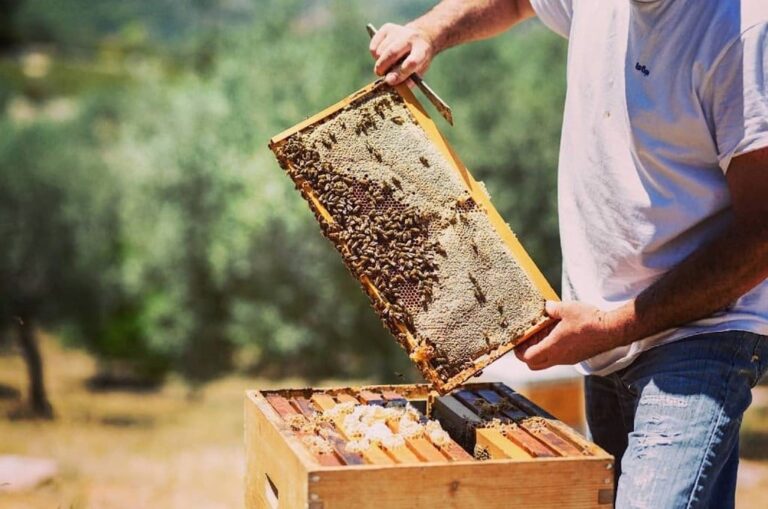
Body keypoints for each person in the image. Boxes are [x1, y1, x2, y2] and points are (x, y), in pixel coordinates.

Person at [370, 1, 768, 507]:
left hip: (702, 335)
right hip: (603, 329)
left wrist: (612, 324)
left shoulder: (747, 33)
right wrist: (428, 31)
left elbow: (761, 236)